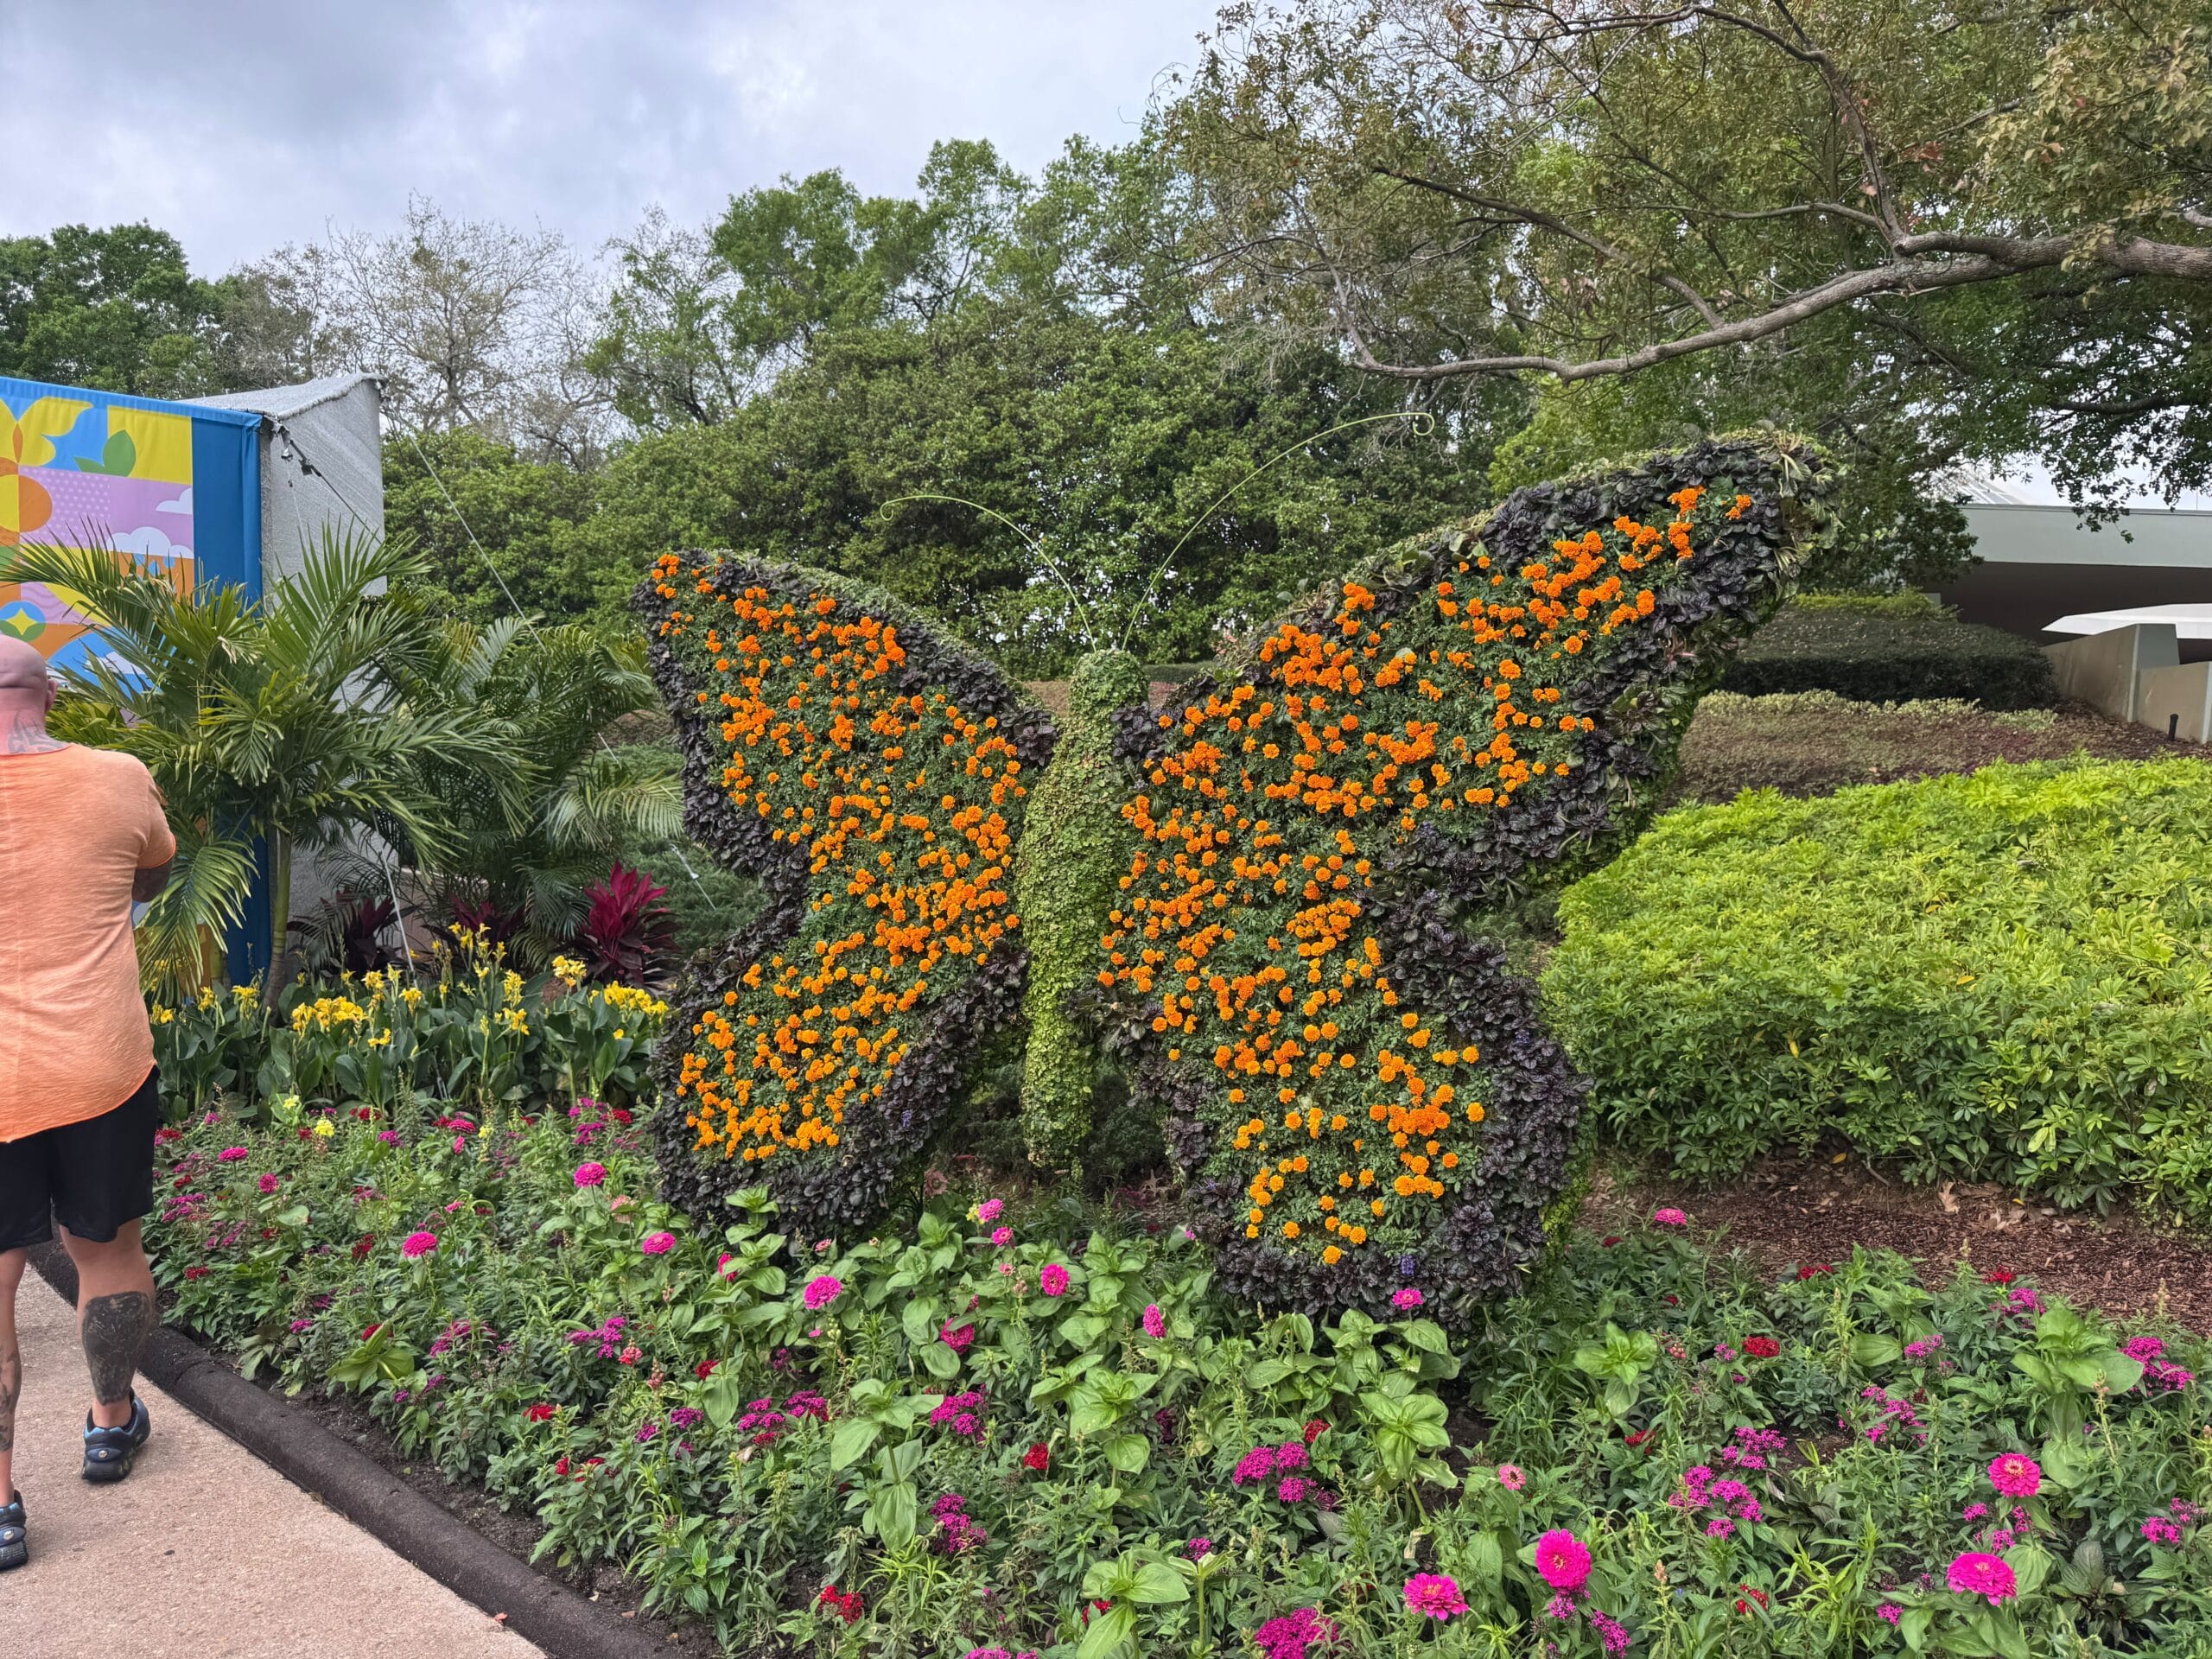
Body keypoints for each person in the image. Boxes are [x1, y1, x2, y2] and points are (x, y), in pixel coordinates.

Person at [0, 634, 176, 1572]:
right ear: (52, 693)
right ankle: (112, 1424)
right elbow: (150, 871)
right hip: (98, 1064)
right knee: (109, 1253)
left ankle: (0, 1508)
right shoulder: (118, 775)